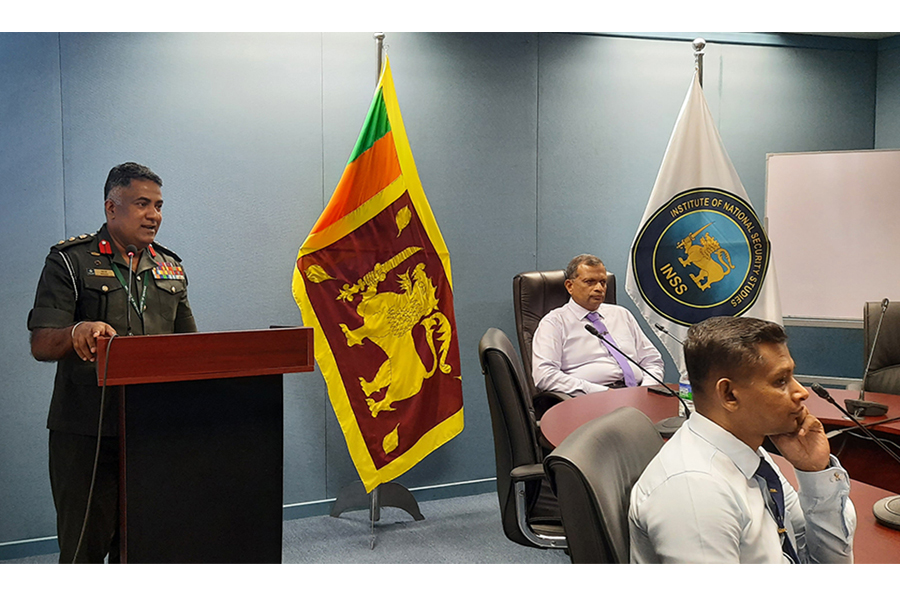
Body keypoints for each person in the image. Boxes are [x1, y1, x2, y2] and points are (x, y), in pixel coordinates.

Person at [28, 162, 197, 563]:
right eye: (142, 204)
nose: (154, 215)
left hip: (152, 429)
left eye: (158, 205)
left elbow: (190, 347)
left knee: (146, 543)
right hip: (88, 430)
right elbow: (41, 342)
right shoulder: (70, 260)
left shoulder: (169, 266)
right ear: (111, 208)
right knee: (84, 548)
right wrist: (76, 332)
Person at [629, 316, 856, 563]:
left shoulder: (748, 452)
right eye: (781, 381)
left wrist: (814, 472)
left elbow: (826, 561)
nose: (801, 392)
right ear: (729, 395)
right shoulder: (696, 493)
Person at [531, 254, 664, 394]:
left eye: (603, 282)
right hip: (590, 399)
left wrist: (646, 389)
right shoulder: (554, 323)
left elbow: (652, 361)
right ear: (570, 286)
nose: (599, 288)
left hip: (637, 393)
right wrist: (602, 393)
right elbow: (545, 375)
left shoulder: (621, 314)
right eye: (590, 282)